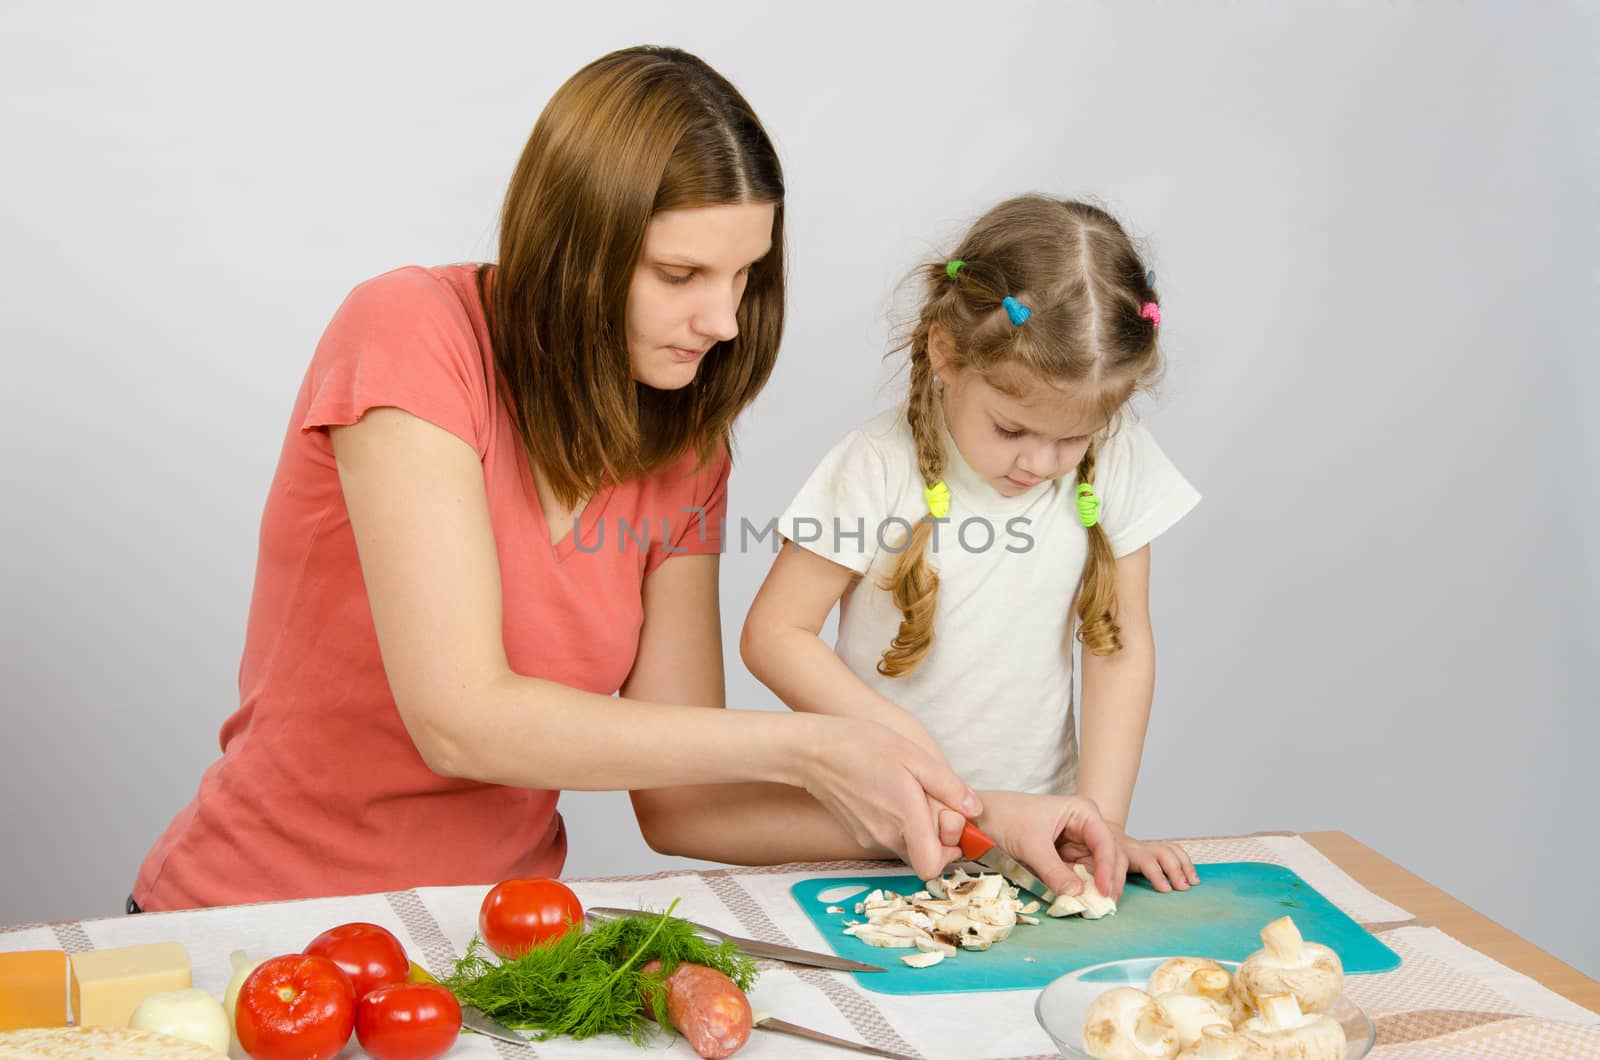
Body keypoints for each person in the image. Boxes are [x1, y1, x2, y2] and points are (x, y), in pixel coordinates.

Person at [132, 47, 1130, 911]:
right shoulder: (409, 335)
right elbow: (459, 718)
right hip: (260, 917)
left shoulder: (686, 447)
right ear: (576, 244)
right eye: (682, 274)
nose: (727, 321)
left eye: (745, 277)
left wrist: (978, 820)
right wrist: (809, 745)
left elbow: (684, 799)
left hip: (497, 941)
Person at [742, 195, 1202, 900]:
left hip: (1037, 847)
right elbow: (775, 633)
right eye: (1012, 430)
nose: (1041, 463)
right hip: (879, 835)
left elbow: (1119, 647)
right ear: (945, 353)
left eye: (1072, 438)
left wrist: (1100, 824)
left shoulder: (1120, 461)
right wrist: (915, 759)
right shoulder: (875, 466)